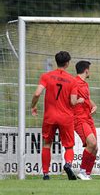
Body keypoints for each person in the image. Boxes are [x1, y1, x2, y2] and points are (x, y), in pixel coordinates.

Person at [31, 51, 84, 180]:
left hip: (49, 116)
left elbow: (37, 93)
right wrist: (79, 101)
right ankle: (67, 164)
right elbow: (72, 102)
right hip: (66, 117)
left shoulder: (46, 76)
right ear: (67, 63)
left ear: (57, 61)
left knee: (47, 144)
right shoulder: (72, 81)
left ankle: (45, 174)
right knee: (69, 146)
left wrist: (33, 106)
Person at [73, 61, 98, 180]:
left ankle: (87, 173)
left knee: (95, 147)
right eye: (89, 70)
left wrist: (94, 105)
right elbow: (69, 100)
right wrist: (77, 102)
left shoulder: (85, 84)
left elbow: (87, 99)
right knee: (91, 143)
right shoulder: (74, 83)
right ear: (86, 70)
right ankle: (82, 171)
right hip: (79, 119)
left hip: (88, 118)